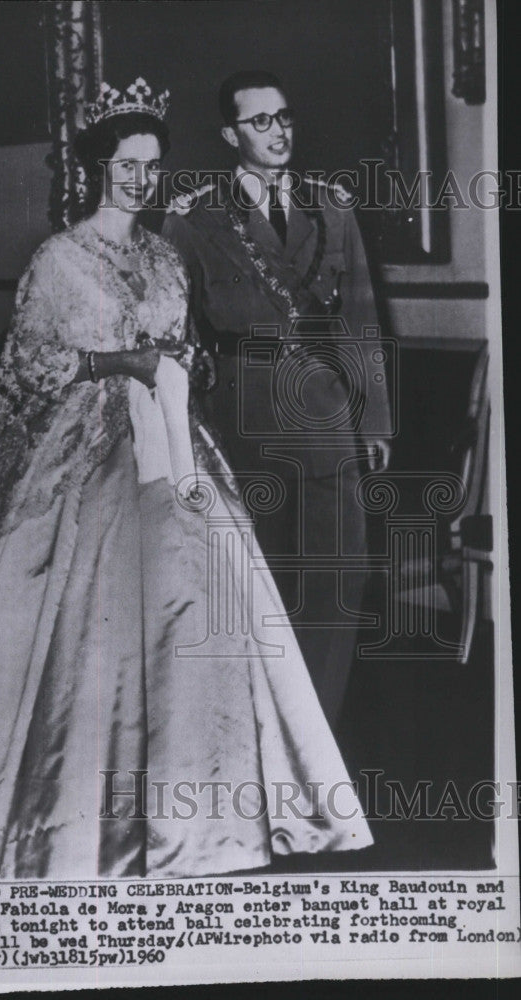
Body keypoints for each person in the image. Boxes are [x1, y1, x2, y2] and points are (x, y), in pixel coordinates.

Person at [0, 79, 371, 880]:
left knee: (203, 608)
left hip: (172, 452)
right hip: (82, 459)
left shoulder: (162, 254)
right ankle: (57, 820)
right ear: (96, 170)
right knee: (88, 633)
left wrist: (193, 363)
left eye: (152, 166)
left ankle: (206, 817)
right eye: (126, 166)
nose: (141, 181)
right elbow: (29, 366)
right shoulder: (58, 258)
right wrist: (122, 362)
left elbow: (192, 343)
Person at [163, 70, 392, 728]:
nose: (277, 131)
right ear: (230, 134)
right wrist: (185, 432)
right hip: (243, 411)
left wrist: (372, 418)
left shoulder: (332, 206)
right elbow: (179, 331)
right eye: (259, 121)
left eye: (283, 117)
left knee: (338, 572)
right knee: (251, 577)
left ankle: (314, 725)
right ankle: (249, 724)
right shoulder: (195, 216)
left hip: (323, 408)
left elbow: (360, 318)